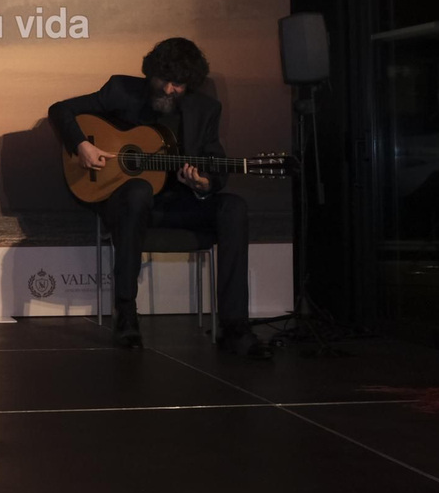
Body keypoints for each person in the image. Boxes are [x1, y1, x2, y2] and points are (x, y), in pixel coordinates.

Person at [48, 38, 272, 359]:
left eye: (178, 84)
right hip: (127, 206)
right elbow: (61, 110)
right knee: (139, 190)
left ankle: (235, 327)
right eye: (163, 80)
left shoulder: (206, 110)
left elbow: (215, 166)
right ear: (150, 73)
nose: (168, 90)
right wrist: (81, 145)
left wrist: (203, 183)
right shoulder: (121, 90)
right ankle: (126, 312)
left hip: (179, 206)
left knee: (234, 206)